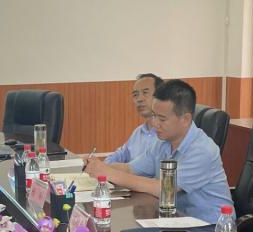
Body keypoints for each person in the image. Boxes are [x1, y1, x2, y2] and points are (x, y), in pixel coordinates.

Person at [84, 78, 231, 224]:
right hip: (173, 220)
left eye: (162, 119)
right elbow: (130, 169)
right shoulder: (162, 141)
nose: (155, 123)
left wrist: (108, 173)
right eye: (154, 115)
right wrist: (98, 166)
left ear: (185, 119)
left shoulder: (202, 150)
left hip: (210, 229)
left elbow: (163, 189)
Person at [105, 73, 163, 165]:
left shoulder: (167, 133)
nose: (139, 99)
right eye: (135, 95)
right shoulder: (137, 133)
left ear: (160, 96)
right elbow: (118, 156)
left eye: (145, 93)